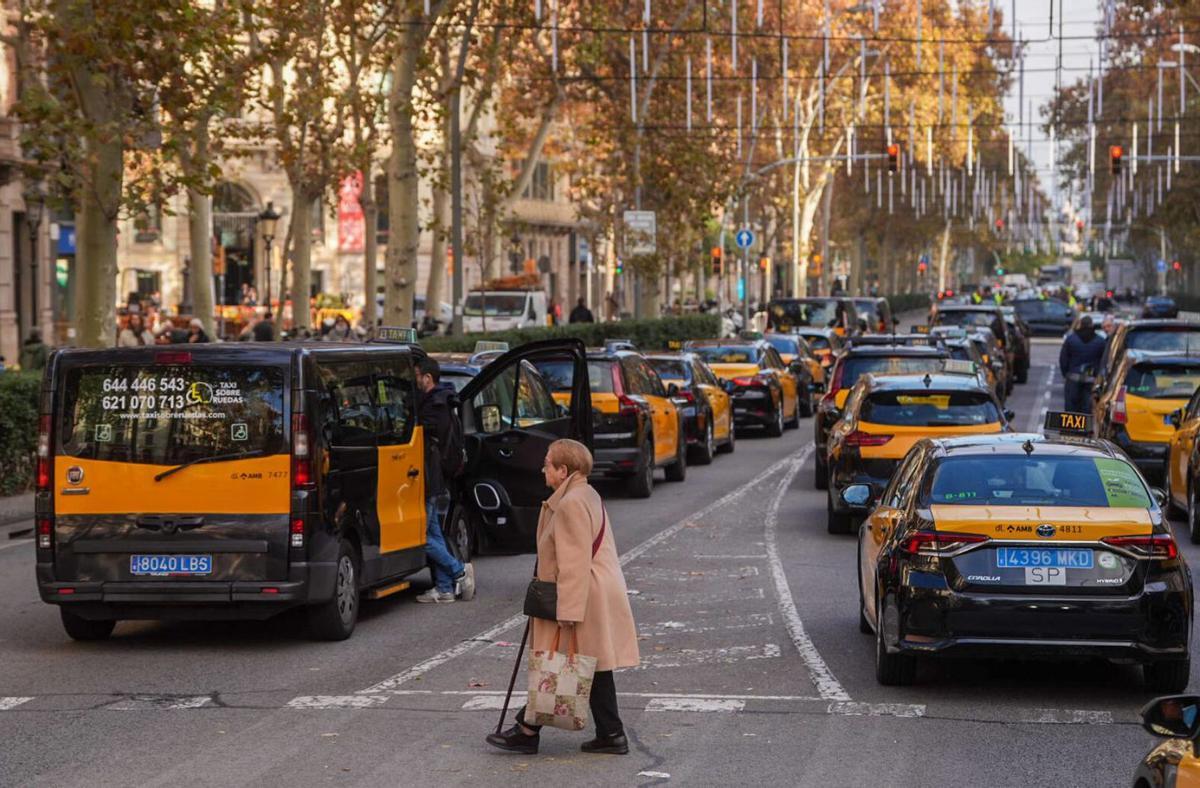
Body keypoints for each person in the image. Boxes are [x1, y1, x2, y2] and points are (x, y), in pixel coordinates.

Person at [487, 439, 639, 756]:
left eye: (547, 464)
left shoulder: (570, 504)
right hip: (596, 591)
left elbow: (574, 563)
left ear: (563, 470)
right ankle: (611, 733)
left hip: (581, 594)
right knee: (590, 663)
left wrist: (567, 612)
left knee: (558, 662)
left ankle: (527, 730)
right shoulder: (586, 494)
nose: (543, 469)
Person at [414, 356, 475, 604]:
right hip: (438, 479)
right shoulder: (445, 400)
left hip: (430, 479)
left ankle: (459, 571)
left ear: (427, 378)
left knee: (421, 537)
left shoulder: (433, 406)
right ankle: (444, 588)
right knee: (435, 533)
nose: (415, 381)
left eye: (417, 376)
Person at [1059, 315, 1106, 412]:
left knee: (1071, 407)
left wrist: (1065, 373)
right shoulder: (1100, 341)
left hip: (1073, 376)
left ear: (1080, 324)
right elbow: (1104, 361)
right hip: (1091, 377)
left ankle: (1072, 421)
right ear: (1091, 325)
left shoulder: (1071, 339)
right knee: (1087, 407)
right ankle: (1085, 421)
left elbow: (1063, 359)